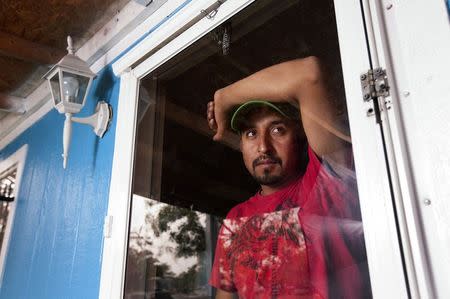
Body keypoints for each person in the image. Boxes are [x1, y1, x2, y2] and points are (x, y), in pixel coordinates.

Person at [206, 57, 371, 299]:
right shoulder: (235, 219)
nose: (263, 147)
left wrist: (225, 98)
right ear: (241, 145)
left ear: (300, 136)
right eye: (251, 133)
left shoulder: (327, 182)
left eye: (277, 129)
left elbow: (309, 74)